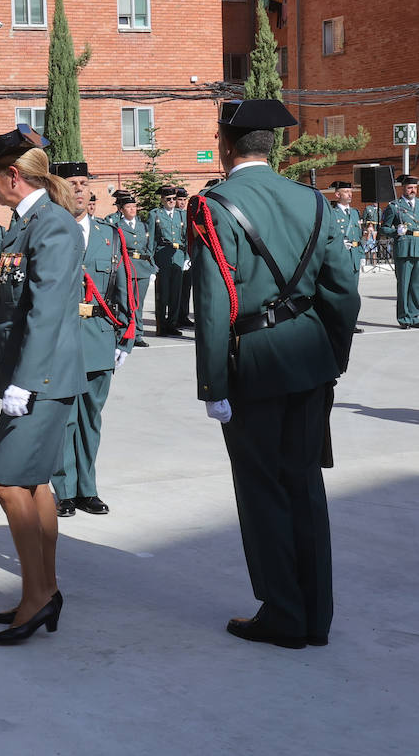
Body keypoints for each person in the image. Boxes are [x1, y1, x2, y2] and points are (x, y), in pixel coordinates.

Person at [187, 99, 359, 648]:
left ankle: (283, 614)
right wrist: (330, 355)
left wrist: (212, 384)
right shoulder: (312, 199)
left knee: (262, 488)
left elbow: (214, 303)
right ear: (273, 146)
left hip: (253, 360)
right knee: (305, 484)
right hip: (309, 357)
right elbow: (344, 291)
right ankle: (316, 616)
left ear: (225, 144)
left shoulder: (214, 205)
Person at [0, 127, 84, 644]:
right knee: (33, 485)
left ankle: (36, 598)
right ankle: (44, 591)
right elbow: (11, 306)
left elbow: (49, 310)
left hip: (43, 378)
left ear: (13, 176)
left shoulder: (51, 227)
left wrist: (25, 383)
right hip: (31, 375)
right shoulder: (21, 227)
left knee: (7, 482)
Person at [48, 162, 136, 518]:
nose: (80, 190)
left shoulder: (109, 235)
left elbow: (124, 288)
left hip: (99, 339)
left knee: (90, 419)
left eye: (84, 184)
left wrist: (126, 339)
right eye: (72, 183)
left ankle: (88, 489)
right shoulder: (45, 232)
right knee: (62, 418)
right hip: (58, 341)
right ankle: (64, 490)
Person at [107, 190, 154, 347]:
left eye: (134, 206)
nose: (133, 209)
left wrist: (152, 267)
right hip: (126, 267)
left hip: (142, 268)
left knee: (138, 303)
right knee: (125, 302)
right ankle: (124, 332)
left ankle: (138, 334)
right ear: (121, 209)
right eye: (129, 207)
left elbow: (149, 248)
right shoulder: (117, 226)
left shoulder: (143, 226)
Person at [381, 174, 419, 328]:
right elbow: (383, 228)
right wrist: (397, 230)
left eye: (415, 188)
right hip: (404, 247)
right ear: (403, 188)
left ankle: (415, 316)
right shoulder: (394, 206)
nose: (413, 190)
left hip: (418, 246)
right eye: (410, 187)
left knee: (416, 285)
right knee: (404, 284)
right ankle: (404, 318)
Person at [150, 184, 187, 336]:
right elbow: (151, 240)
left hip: (178, 257)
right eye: (168, 199)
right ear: (162, 200)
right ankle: (162, 326)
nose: (172, 201)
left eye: (173, 199)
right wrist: (151, 263)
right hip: (162, 258)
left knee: (176, 294)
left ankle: (172, 324)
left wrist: (187, 258)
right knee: (163, 294)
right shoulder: (156, 215)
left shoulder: (181, 215)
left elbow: (186, 238)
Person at [330, 181, 364, 332]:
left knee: (353, 293)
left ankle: (351, 322)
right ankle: (340, 321)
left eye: (351, 192)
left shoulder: (355, 212)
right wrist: (339, 243)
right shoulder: (332, 213)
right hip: (342, 255)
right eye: (346, 192)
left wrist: (362, 254)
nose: (350, 194)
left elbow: (360, 234)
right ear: (337, 195)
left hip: (355, 255)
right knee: (342, 291)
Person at [175, 187, 194, 329]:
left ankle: (184, 316)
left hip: (187, 257)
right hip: (175, 256)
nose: (182, 203)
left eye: (183, 200)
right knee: (174, 290)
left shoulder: (189, 215)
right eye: (179, 200)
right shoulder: (171, 215)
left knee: (186, 288)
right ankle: (174, 317)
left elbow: (191, 237)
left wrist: (189, 257)